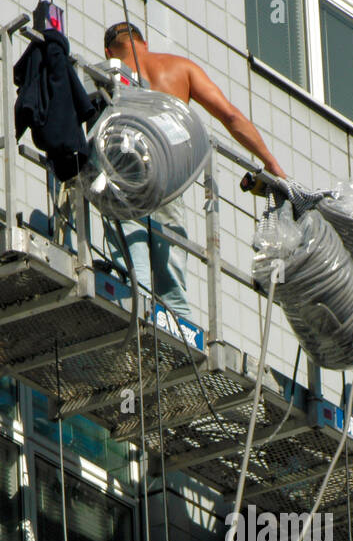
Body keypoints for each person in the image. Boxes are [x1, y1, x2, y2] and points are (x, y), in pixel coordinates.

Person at [102, 20, 286, 320]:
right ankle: (180, 327)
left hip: (126, 173)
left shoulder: (110, 74)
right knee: (170, 276)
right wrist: (271, 163)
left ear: (109, 50)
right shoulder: (181, 68)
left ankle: (135, 321)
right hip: (168, 176)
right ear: (143, 42)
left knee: (133, 269)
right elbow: (230, 115)